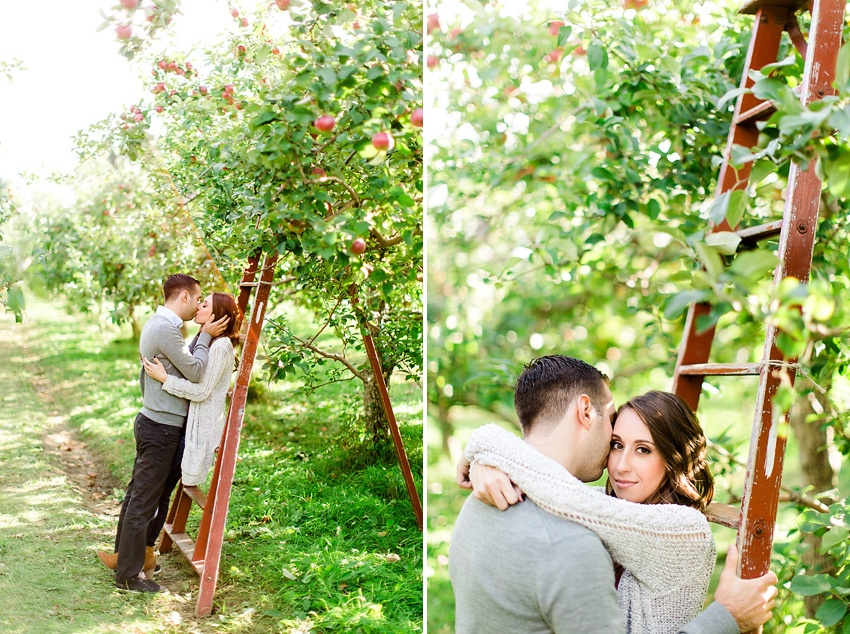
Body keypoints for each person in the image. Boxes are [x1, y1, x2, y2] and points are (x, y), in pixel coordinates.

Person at [449, 355, 777, 634]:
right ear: (586, 412)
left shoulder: (477, 507)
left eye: (644, 450)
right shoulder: (573, 536)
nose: (618, 463)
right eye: (617, 440)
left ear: (672, 459)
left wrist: (486, 445)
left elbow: (573, 500)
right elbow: (573, 498)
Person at [99, 274, 229, 594]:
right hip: (160, 428)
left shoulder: (163, 326)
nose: (199, 304)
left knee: (143, 498)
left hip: (158, 424)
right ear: (183, 296)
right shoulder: (164, 329)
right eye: (198, 298)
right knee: (144, 501)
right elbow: (197, 372)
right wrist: (203, 336)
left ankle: (125, 559)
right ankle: (129, 577)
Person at [142, 292, 242, 487]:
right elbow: (188, 364)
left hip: (197, 430)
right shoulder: (208, 341)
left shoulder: (220, 346)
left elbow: (202, 391)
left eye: (205, 305)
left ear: (217, 315)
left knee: (160, 487)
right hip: (185, 425)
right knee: (159, 486)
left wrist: (165, 378)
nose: (198, 307)